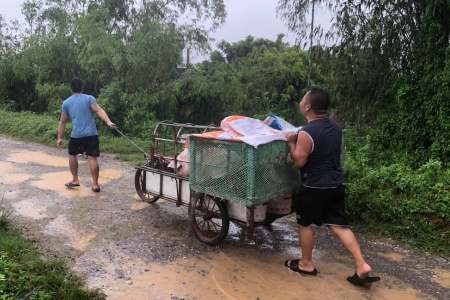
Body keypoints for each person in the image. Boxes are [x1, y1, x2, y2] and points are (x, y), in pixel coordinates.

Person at [285, 87, 380, 285]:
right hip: (336, 184)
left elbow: (299, 161)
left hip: (314, 186)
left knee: (304, 223)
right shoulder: (336, 129)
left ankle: (306, 263)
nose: (301, 102)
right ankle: (361, 264)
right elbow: (339, 150)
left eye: (303, 100)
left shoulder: (306, 132)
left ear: (308, 106)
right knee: (339, 225)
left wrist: (292, 143)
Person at [57, 77, 116, 192]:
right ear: (82, 87)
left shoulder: (66, 103)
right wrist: (109, 122)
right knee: (92, 158)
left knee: (72, 155)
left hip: (76, 135)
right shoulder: (89, 98)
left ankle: (75, 180)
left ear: (72, 88)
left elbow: (63, 121)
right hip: (91, 134)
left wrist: (60, 137)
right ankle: (95, 185)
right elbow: (99, 110)